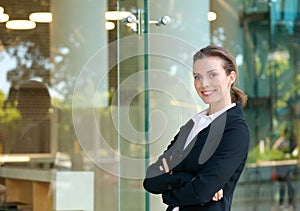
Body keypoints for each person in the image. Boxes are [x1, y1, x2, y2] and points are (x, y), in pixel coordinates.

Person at [143, 45, 250, 210]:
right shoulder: (193, 124)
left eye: (212, 75)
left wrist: (169, 190)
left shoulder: (236, 130)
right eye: (197, 76)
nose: (203, 84)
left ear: (231, 77)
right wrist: (188, 179)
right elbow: (151, 179)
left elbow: (201, 191)